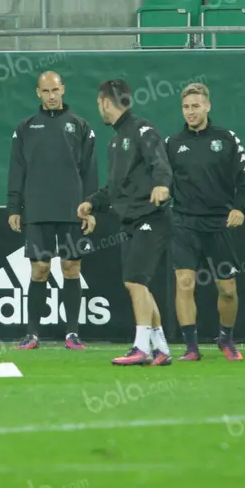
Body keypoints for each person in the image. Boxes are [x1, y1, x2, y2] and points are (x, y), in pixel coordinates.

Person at [78, 79, 174, 367]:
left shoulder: (142, 129)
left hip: (151, 218)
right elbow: (115, 187)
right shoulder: (115, 140)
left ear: (106, 102)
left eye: (99, 104)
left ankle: (141, 347)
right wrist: (92, 202)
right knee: (138, 284)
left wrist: (161, 184)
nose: (100, 109)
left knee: (135, 281)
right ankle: (161, 349)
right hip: (130, 221)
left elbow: (160, 161)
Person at [6, 71, 97, 351]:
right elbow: (17, 170)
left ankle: (72, 334)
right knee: (40, 270)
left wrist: (91, 208)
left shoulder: (80, 126)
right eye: (46, 91)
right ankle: (32, 334)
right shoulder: (25, 127)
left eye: (55, 90)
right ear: (38, 93)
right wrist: (14, 207)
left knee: (71, 268)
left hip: (72, 210)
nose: (51, 95)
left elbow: (90, 171)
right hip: (37, 209)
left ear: (63, 90)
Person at [166, 83, 245, 362]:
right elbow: (160, 180)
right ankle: (191, 347)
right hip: (184, 223)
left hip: (219, 224)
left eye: (195, 106)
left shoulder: (227, 139)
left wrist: (241, 208)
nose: (190, 112)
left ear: (207, 106)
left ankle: (225, 338)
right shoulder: (172, 143)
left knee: (227, 290)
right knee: (185, 283)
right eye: (186, 107)